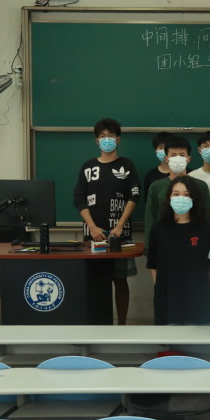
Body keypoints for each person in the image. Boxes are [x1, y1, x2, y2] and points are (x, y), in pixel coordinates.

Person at [73, 117, 140, 325]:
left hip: (120, 235)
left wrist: (119, 226)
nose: (107, 139)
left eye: (111, 135)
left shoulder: (126, 165)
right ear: (96, 140)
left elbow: (134, 195)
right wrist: (92, 227)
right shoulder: (88, 167)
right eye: (102, 136)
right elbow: (79, 199)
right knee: (95, 282)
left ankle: (122, 325)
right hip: (93, 236)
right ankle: (97, 325)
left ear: (118, 139)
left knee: (120, 281)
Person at [147, 175, 210, 325]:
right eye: (176, 194)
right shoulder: (158, 228)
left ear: (194, 198)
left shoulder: (205, 228)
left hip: (197, 298)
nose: (181, 198)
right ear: (169, 197)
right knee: (169, 338)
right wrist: (160, 289)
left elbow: (209, 267)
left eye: (186, 194)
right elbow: (153, 264)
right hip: (168, 298)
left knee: (197, 337)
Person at [145, 136, 210, 251]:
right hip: (164, 243)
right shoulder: (156, 186)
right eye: (173, 155)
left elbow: (205, 218)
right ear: (166, 158)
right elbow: (150, 219)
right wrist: (148, 248)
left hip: (194, 244)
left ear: (188, 159)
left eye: (181, 155)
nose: (177, 159)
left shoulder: (201, 186)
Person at [143, 131, 174, 201]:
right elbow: (149, 202)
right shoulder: (150, 175)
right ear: (155, 150)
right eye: (161, 148)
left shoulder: (187, 173)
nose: (164, 151)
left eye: (168, 147)